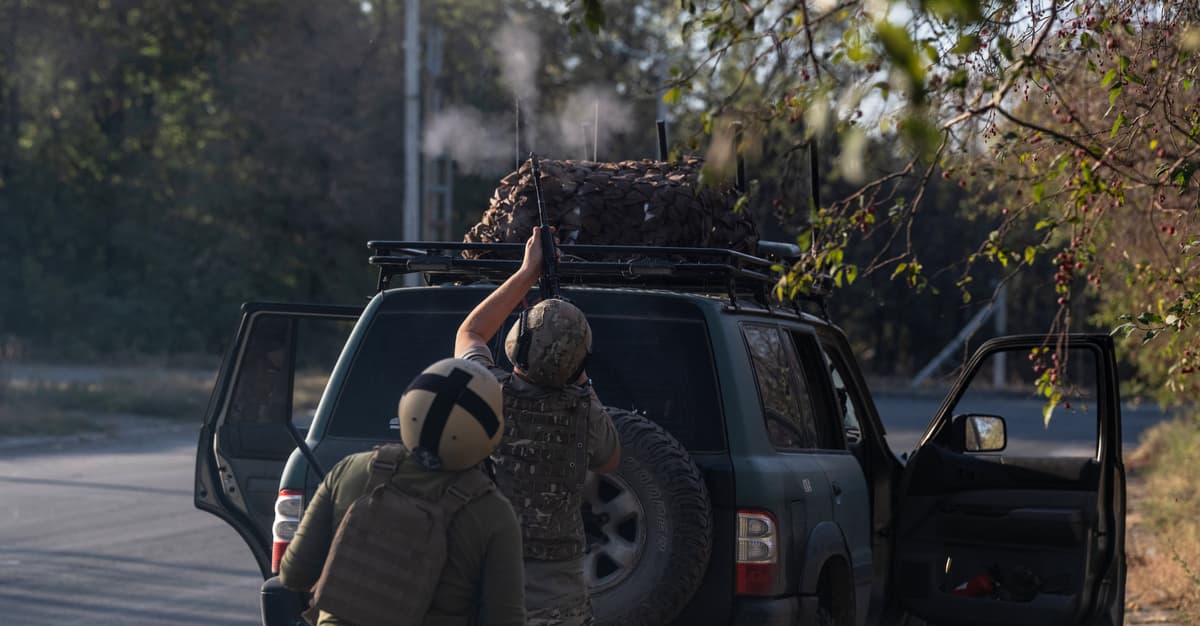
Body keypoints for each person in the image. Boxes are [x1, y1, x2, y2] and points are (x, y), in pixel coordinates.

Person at [279, 357, 526, 626]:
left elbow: (293, 574)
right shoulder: (492, 514)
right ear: (490, 434)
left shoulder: (350, 470)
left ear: (409, 403)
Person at [455, 227, 621, 626]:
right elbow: (611, 458)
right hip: (559, 603)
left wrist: (527, 273)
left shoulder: (489, 390)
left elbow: (471, 332)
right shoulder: (584, 413)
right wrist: (581, 381)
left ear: (518, 343)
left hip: (489, 591)